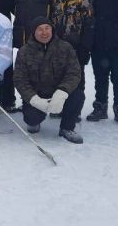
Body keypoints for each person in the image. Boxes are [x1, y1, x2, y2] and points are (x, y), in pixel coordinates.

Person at [14, 16, 84, 144]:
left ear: (52, 30)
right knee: (32, 119)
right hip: (37, 94)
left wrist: (62, 92)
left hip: (58, 92)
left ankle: (67, 128)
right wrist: (34, 99)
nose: (44, 32)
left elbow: (74, 73)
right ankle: (35, 120)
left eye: (47, 28)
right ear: (33, 32)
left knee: (78, 95)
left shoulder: (65, 48)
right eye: (40, 29)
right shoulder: (24, 52)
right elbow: (20, 79)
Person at [49, 0, 94, 122]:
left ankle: (75, 109)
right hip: (57, 44)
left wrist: (85, 48)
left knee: (76, 78)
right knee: (57, 76)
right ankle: (58, 106)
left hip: (76, 45)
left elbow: (89, 24)